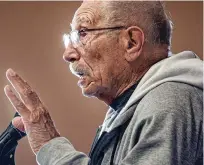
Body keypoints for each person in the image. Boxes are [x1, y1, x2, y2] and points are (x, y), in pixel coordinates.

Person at [4, 1, 203, 165]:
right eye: (71, 37)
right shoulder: (132, 105)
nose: (68, 54)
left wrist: (49, 145)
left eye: (83, 33)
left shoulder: (169, 101)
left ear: (131, 42)